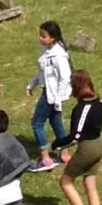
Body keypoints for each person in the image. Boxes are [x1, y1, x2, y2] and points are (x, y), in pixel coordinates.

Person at [58, 68, 102, 205]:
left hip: (87, 148)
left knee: (65, 181)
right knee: (90, 185)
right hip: (99, 146)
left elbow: (75, 136)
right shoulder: (99, 102)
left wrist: (54, 145)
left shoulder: (82, 108)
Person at [27, 21, 73, 169]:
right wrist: (32, 84)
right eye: (40, 35)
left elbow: (64, 79)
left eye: (44, 36)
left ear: (52, 38)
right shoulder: (44, 51)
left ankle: (45, 157)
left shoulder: (59, 56)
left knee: (36, 124)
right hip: (48, 92)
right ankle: (65, 153)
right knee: (56, 122)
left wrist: (58, 99)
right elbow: (42, 72)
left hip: (51, 96)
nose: (40, 39)